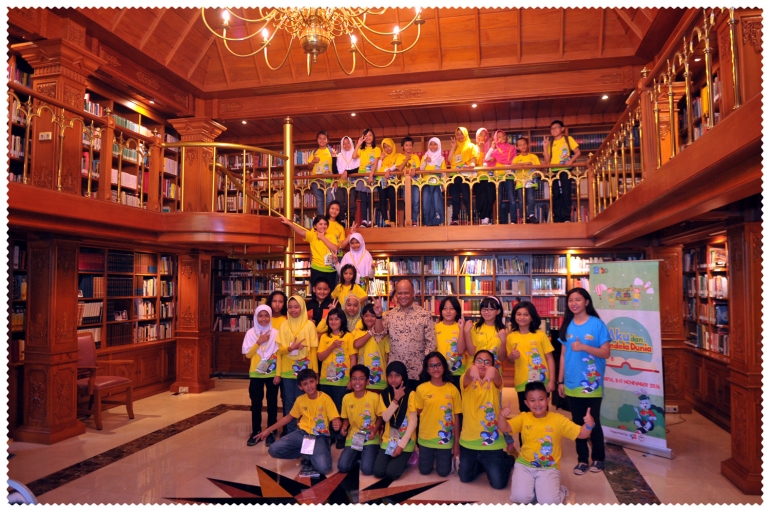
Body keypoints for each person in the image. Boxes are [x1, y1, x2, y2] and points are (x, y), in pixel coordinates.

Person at [498, 381, 596, 504]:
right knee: (520, 498)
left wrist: (589, 425)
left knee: (548, 502)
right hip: (525, 465)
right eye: (532, 400)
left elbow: (582, 434)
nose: (537, 404)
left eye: (541, 399)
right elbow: (505, 427)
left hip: (549, 467)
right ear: (526, 403)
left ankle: (560, 490)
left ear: (548, 400)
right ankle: (536, 488)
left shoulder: (558, 419)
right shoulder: (524, 418)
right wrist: (501, 416)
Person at [557, 287, 610, 475]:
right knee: (577, 424)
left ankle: (598, 458)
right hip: (571, 382)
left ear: (587, 302)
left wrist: (585, 347)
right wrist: (560, 381)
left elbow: (606, 353)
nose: (574, 303)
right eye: (570, 300)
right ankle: (582, 459)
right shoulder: (567, 325)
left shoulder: (597, 324)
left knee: (592, 421)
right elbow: (563, 356)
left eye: (578, 299)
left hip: (592, 384)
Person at [255, 368, 341, 478]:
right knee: (274, 449)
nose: (309, 386)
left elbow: (335, 417)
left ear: (316, 381)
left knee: (324, 468)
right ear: (300, 387)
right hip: (301, 434)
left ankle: (317, 451)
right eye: (305, 384)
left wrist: (336, 422)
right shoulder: (300, 400)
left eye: (311, 381)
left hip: (319, 436)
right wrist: (268, 430)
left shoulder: (325, 398)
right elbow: (288, 417)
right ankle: (306, 453)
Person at [458, 349, 513, 490]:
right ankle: (483, 464)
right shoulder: (466, 379)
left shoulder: (494, 382)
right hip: (469, 441)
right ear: (473, 362)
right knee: (465, 478)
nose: (483, 364)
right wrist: (472, 369)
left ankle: (506, 460)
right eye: (479, 361)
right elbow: (469, 375)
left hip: (492, 443)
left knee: (498, 484)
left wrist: (493, 370)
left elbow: (496, 377)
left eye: (487, 362)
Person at [373, 279, 437, 389]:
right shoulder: (389, 315)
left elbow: (431, 345)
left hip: (418, 372)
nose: (403, 296)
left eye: (406, 293)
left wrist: (426, 369)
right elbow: (379, 334)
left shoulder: (424, 315)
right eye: (400, 293)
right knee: (397, 404)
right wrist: (379, 315)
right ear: (396, 294)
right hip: (396, 374)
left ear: (413, 293)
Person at [277, 295, 319, 434]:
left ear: (302, 307)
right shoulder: (283, 325)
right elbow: (280, 351)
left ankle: (305, 431)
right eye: (290, 307)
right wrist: (291, 348)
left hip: (305, 372)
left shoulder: (310, 325)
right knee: (289, 402)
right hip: (287, 371)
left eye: (296, 306)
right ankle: (290, 433)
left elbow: (313, 351)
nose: (293, 310)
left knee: (305, 402)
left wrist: (315, 372)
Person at [415, 352, 462, 477]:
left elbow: (456, 417)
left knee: (443, 472)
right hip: (426, 438)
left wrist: (456, 443)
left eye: (438, 365)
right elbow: (417, 414)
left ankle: (443, 458)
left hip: (445, 439)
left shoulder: (452, 389)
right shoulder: (421, 389)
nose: (435, 369)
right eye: (431, 366)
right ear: (426, 369)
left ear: (444, 366)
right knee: (424, 471)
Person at [317, 307, 357, 449]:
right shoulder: (325, 337)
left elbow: (353, 358)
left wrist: (352, 379)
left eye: (336, 318)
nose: (333, 321)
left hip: (342, 380)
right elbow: (320, 356)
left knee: (341, 409)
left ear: (342, 320)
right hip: (326, 380)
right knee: (327, 409)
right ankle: (330, 435)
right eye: (331, 319)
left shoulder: (348, 336)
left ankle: (341, 435)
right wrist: (332, 346)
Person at [372, 361, 418, 481]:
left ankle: (409, 455)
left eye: (397, 375)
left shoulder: (411, 394)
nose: (393, 379)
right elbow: (385, 418)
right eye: (390, 376)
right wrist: (396, 399)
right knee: (378, 472)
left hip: (405, 440)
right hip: (389, 439)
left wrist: (401, 446)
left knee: (391, 473)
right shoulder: (384, 394)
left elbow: (413, 423)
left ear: (403, 376)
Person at [507, 301, 555, 412]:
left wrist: (552, 380)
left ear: (532, 317)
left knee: (541, 411)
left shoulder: (540, 335)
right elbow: (509, 361)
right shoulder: (511, 337)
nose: (522, 317)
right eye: (519, 314)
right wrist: (511, 356)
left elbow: (550, 358)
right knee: (525, 412)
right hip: (522, 381)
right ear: (514, 317)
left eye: (526, 314)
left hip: (541, 380)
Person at [243, 305, 281, 447]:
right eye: (260, 315)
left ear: (270, 316)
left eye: (266, 316)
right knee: (256, 404)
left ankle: (271, 431)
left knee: (272, 404)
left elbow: (279, 355)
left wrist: (278, 374)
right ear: (255, 317)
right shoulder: (250, 333)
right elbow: (248, 354)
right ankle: (256, 431)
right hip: (256, 373)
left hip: (272, 373)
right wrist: (259, 341)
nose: (263, 319)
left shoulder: (276, 333)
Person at [337, 365, 385, 475]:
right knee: (342, 466)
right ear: (350, 381)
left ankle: (370, 451)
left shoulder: (374, 397)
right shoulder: (346, 398)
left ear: (367, 381)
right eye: (354, 378)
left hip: (370, 436)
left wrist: (375, 430)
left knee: (367, 470)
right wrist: (344, 427)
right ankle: (359, 453)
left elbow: (380, 417)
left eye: (361, 378)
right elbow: (346, 419)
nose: (357, 382)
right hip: (355, 436)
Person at [281, 215, 339, 292]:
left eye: (325, 224)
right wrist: (289, 223)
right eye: (320, 224)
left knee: (330, 293)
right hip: (317, 269)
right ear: (315, 226)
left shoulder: (331, 235)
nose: (323, 226)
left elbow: (335, 249)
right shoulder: (312, 235)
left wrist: (322, 238)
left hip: (331, 270)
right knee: (316, 292)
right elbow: (301, 231)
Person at [543, 120, 580, 223]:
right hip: (553, 171)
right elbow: (547, 161)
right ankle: (557, 218)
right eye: (552, 128)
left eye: (556, 127)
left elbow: (577, 152)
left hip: (565, 170)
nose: (554, 130)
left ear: (562, 129)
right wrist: (545, 147)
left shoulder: (568, 139)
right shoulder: (550, 143)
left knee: (566, 192)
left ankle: (566, 217)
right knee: (555, 193)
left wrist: (571, 161)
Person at [463, 296, 507, 376]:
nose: (487, 312)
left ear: (498, 311)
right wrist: (466, 332)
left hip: (494, 371)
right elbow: (471, 352)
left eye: (491, 309)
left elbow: (502, 358)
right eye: (484, 309)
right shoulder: (474, 327)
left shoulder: (503, 330)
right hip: (474, 371)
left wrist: (503, 341)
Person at [353, 303, 390, 391]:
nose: (369, 318)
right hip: (362, 381)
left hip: (380, 381)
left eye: (373, 316)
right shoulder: (359, 332)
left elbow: (388, 356)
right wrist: (371, 332)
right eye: (366, 316)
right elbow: (356, 344)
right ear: (362, 317)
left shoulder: (383, 335)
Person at [484, 130, 517, 224]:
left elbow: (515, 161)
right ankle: (498, 220)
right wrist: (492, 147)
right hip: (498, 176)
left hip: (509, 175)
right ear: (495, 138)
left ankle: (513, 220)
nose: (502, 138)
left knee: (512, 199)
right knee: (499, 199)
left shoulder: (512, 148)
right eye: (499, 137)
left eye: (503, 136)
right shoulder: (495, 150)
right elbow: (486, 159)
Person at [435, 296, 466, 390]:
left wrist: (461, 329)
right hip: (439, 372)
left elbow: (461, 351)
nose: (448, 311)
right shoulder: (434, 328)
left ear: (457, 310)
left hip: (458, 372)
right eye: (445, 308)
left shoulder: (462, 328)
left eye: (452, 308)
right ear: (440, 311)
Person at [447, 127, 477, 225]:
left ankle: (470, 219)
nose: (459, 136)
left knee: (466, 197)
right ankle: (455, 219)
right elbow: (449, 159)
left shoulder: (471, 146)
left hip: (465, 175)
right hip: (454, 175)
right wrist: (453, 147)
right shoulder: (455, 146)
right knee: (455, 198)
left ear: (465, 134)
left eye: (461, 134)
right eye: (458, 134)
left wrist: (471, 165)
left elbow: (473, 160)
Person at [352, 128, 380, 227]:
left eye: (370, 135)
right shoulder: (361, 149)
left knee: (371, 199)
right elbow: (354, 156)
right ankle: (364, 220)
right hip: (362, 175)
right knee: (363, 199)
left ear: (373, 137)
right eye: (366, 136)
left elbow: (376, 163)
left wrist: (371, 174)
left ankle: (371, 220)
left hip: (371, 174)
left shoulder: (376, 149)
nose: (368, 137)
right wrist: (358, 144)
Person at [511, 137, 541, 224]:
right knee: (521, 200)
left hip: (531, 182)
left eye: (524, 144)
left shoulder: (533, 156)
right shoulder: (517, 158)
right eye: (520, 145)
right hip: (520, 182)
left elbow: (538, 168)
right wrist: (524, 164)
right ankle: (523, 216)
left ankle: (531, 215)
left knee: (531, 199)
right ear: (517, 147)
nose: (523, 146)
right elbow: (512, 166)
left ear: (527, 145)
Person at [308, 130, 338, 215]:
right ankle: (321, 220)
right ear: (317, 140)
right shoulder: (314, 152)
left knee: (330, 199)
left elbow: (335, 167)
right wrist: (313, 161)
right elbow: (309, 167)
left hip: (329, 180)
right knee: (320, 201)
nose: (322, 140)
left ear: (327, 140)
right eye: (320, 138)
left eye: (324, 138)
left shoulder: (331, 151)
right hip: (316, 180)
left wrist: (335, 180)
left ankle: (329, 219)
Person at [419, 137, 447, 226]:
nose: (433, 146)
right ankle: (427, 222)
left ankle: (437, 222)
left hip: (437, 184)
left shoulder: (441, 158)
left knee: (437, 202)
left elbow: (444, 173)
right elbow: (421, 169)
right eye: (431, 144)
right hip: (426, 184)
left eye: (435, 144)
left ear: (438, 146)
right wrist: (425, 162)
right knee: (426, 202)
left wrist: (444, 185)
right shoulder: (425, 156)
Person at [334, 136, 360, 225]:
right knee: (339, 201)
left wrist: (347, 172)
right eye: (343, 143)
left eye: (347, 143)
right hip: (342, 182)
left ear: (351, 143)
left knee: (351, 203)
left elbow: (358, 168)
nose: (346, 145)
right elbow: (337, 169)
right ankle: (341, 221)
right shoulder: (340, 155)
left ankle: (351, 221)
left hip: (353, 182)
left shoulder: (356, 153)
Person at [395, 137, 421, 226]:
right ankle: (408, 221)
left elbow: (419, 167)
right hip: (405, 183)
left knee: (416, 201)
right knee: (408, 202)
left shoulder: (416, 156)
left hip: (415, 182)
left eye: (410, 145)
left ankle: (414, 221)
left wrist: (415, 170)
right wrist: (406, 158)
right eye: (406, 145)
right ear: (403, 146)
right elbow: (399, 169)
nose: (408, 147)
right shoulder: (399, 156)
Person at [473, 127, 495, 225]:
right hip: (478, 177)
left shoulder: (492, 146)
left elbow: (495, 160)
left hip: (490, 176)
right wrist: (481, 151)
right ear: (477, 137)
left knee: (490, 197)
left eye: (485, 134)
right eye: (480, 134)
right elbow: (477, 162)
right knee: (481, 198)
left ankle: (487, 217)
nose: (483, 136)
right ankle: (483, 218)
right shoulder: (473, 148)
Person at [378, 137, 400, 227]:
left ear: (393, 146)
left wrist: (388, 170)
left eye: (389, 146)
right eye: (385, 147)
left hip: (393, 181)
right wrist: (380, 159)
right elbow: (378, 169)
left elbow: (397, 165)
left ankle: (393, 221)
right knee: (382, 201)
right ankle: (386, 221)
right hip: (382, 180)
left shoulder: (397, 155)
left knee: (393, 200)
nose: (388, 149)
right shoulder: (383, 156)